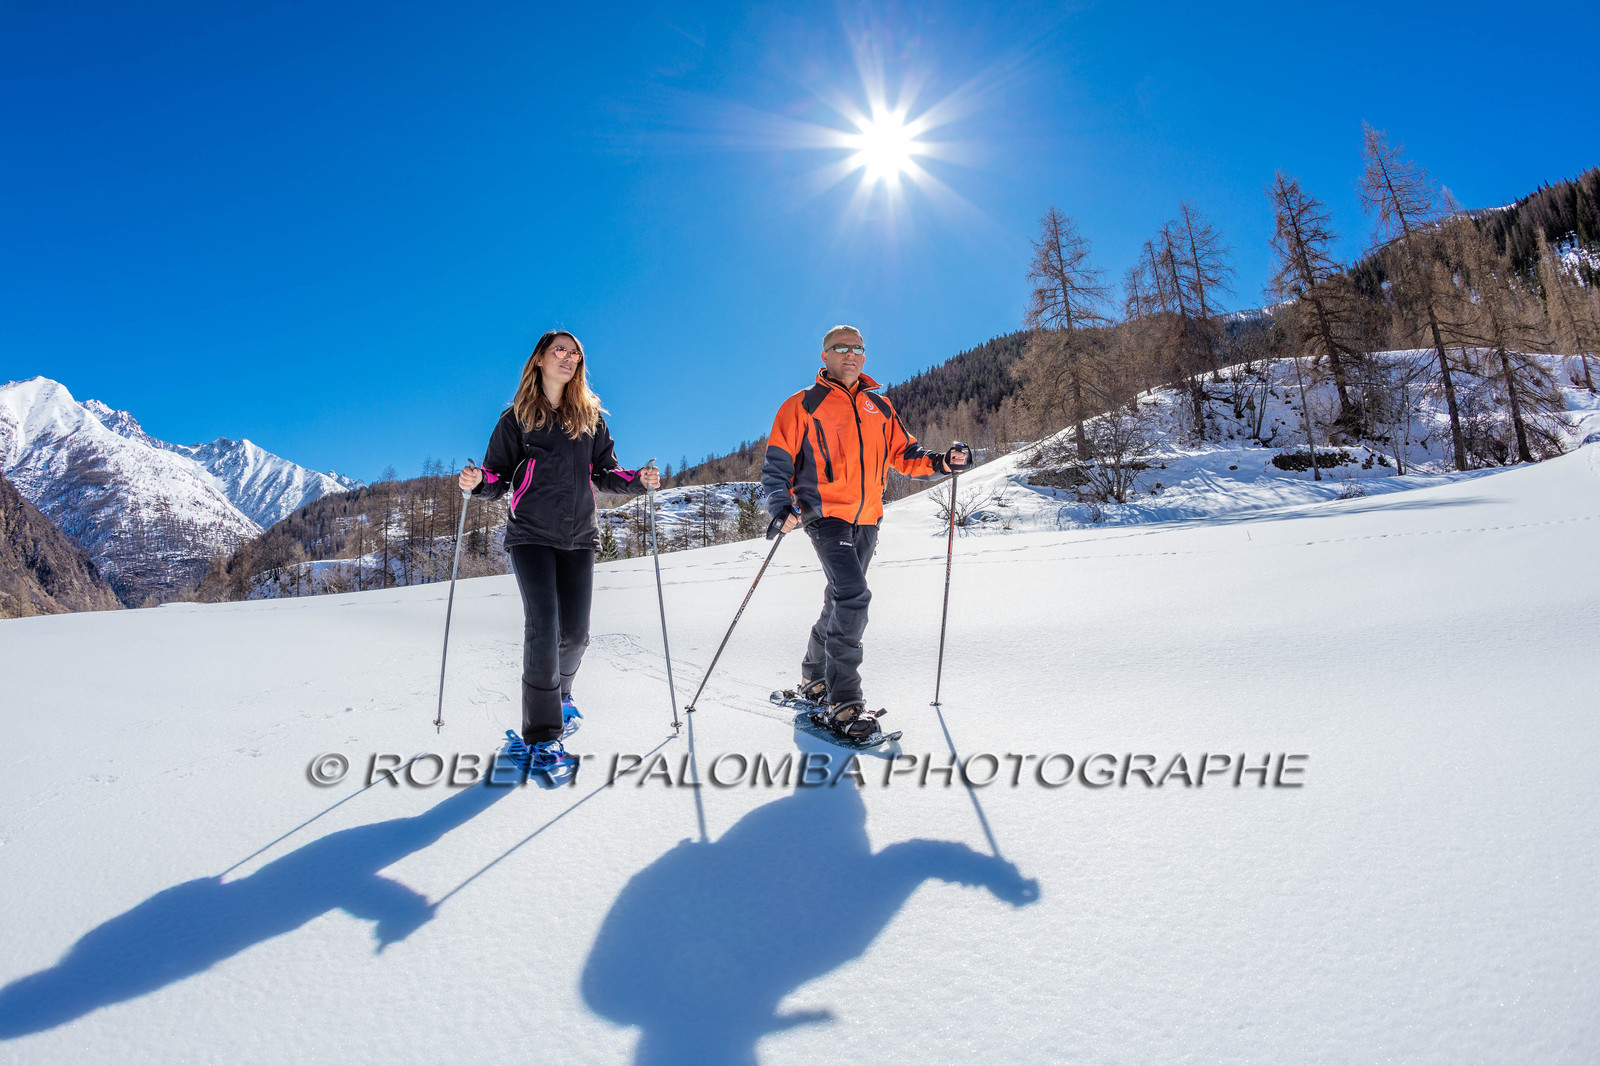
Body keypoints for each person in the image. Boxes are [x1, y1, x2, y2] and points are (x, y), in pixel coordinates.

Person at [458, 330, 660, 766]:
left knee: (576, 635)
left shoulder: (591, 418)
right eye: (560, 351)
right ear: (539, 359)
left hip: (579, 537)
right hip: (530, 535)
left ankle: (562, 693)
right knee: (543, 629)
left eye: (575, 354)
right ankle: (542, 735)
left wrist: (637, 480)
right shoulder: (516, 418)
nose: (568, 358)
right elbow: (497, 476)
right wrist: (478, 483)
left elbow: (604, 472)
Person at [760, 324, 969, 740]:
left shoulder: (880, 406)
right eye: (841, 348)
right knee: (854, 596)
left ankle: (813, 678)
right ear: (825, 356)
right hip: (825, 515)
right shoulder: (802, 405)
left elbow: (906, 454)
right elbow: (777, 464)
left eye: (857, 348)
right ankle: (844, 701)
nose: (851, 354)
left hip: (868, 517)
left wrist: (943, 462)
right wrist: (781, 505)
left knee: (839, 599)